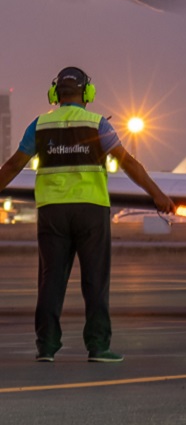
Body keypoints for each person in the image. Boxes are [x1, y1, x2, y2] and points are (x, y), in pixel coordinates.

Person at [0, 66, 176, 363]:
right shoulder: (98, 125)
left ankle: (46, 347)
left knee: (50, 280)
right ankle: (98, 347)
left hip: (52, 212)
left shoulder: (39, 125)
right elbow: (128, 163)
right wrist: (157, 194)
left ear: (56, 94)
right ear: (87, 93)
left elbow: (12, 165)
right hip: (91, 211)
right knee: (95, 280)